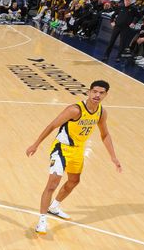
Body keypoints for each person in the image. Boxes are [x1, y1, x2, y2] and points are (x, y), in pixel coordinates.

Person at [25, 80, 122, 235]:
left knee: (74, 181)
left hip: (78, 150)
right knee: (52, 184)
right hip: (61, 148)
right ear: (89, 92)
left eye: (101, 93)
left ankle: (54, 207)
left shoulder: (101, 112)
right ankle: (42, 221)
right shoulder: (75, 110)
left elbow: (105, 134)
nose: (97, 95)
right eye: (95, 91)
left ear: (106, 95)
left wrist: (113, 157)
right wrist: (35, 144)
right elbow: (52, 125)